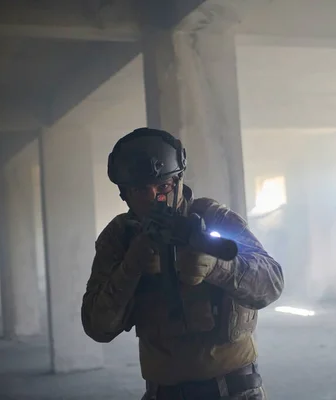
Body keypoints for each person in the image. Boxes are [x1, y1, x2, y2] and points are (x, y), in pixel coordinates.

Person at [81, 127, 284, 399]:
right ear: (125, 194)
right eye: (141, 190)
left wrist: (216, 267)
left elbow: (271, 283)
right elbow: (97, 326)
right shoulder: (119, 238)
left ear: (178, 181)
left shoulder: (213, 219)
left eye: (163, 187)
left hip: (234, 388)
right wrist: (131, 266)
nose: (154, 198)